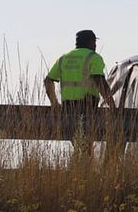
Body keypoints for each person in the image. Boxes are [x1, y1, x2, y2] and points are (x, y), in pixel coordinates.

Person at [45, 30, 117, 158]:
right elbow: (99, 80)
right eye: (94, 42)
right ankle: (84, 167)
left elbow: (48, 80)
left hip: (68, 108)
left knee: (80, 145)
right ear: (91, 42)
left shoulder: (64, 58)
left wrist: (54, 103)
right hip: (87, 107)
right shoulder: (93, 57)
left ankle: (79, 166)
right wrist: (111, 104)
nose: (95, 45)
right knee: (85, 147)